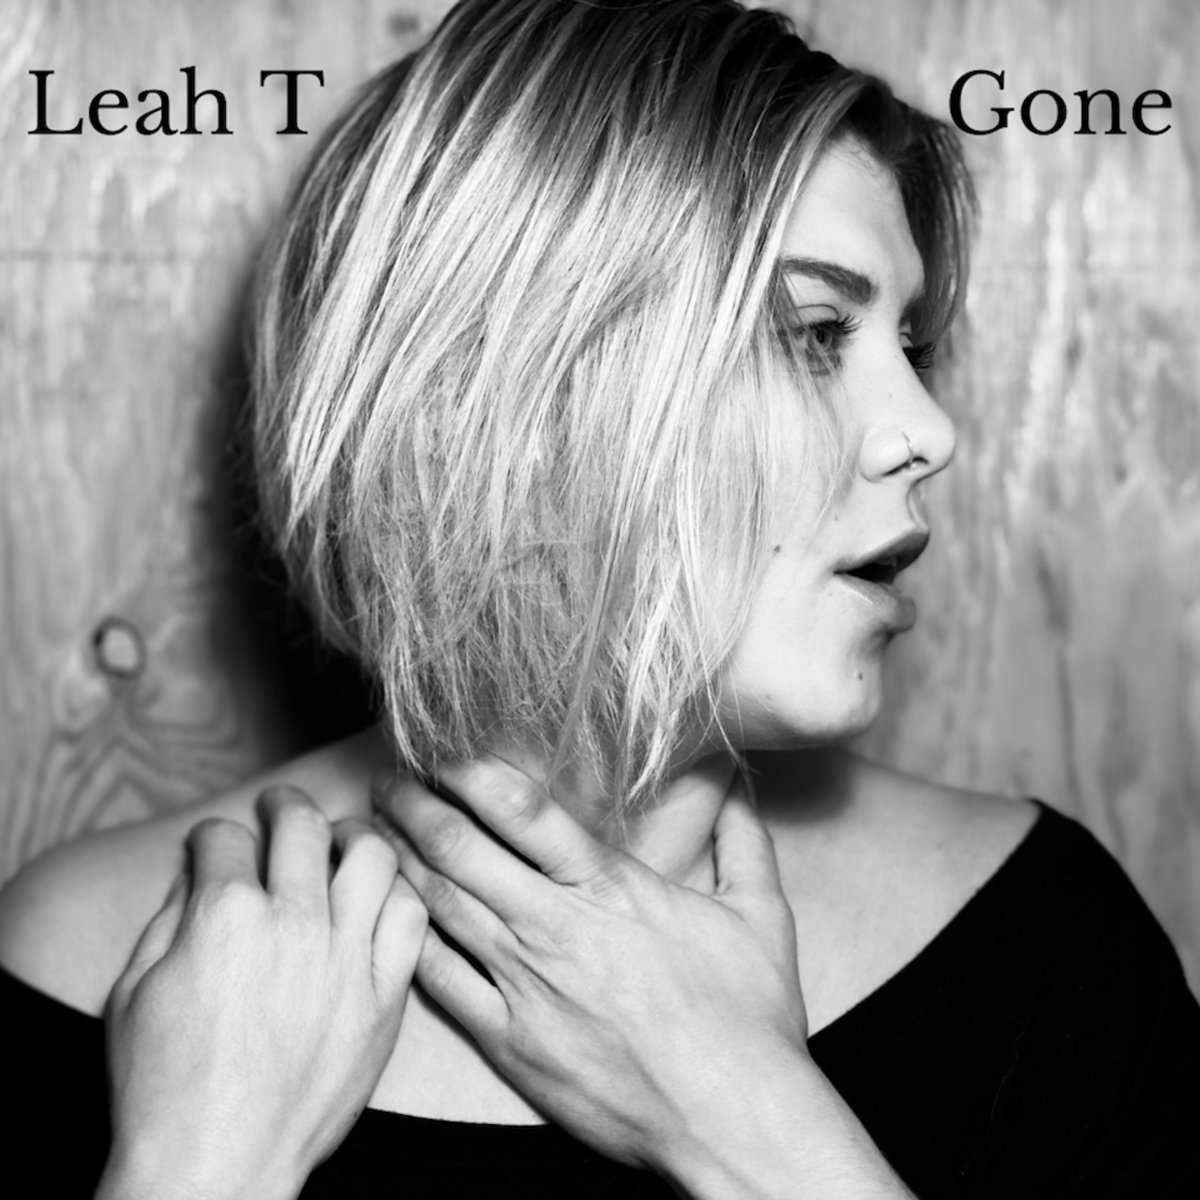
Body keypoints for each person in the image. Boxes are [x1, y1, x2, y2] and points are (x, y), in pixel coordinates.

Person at [1, 1, 1198, 1196]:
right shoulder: (80, 960)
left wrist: (752, 1123)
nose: (928, 430)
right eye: (814, 333)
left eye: (912, 347)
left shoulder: (1044, 944)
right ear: (490, 393)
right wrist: (195, 1167)